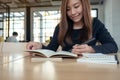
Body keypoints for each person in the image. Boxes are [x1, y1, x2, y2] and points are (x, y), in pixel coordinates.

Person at [26, 0, 118, 55]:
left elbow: (113, 46)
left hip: (88, 68)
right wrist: (40, 46)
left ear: (84, 5)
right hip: (65, 69)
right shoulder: (60, 27)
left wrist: (91, 49)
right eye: (68, 9)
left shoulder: (95, 24)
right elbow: (51, 49)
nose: (72, 12)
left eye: (76, 6)